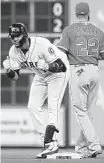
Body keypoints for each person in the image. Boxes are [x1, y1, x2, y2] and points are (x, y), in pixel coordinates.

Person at [3, 23, 70, 158]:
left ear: (25, 35)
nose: (14, 39)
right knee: (32, 107)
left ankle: (51, 142)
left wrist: (47, 65)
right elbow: (15, 77)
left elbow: (62, 67)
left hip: (57, 72)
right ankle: (46, 141)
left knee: (53, 104)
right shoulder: (13, 51)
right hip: (40, 74)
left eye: (17, 35)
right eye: (12, 37)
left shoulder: (41, 44)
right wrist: (8, 71)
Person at [57, 2, 104, 158]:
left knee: (81, 112)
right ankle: (81, 148)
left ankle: (94, 145)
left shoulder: (69, 30)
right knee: (88, 113)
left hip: (78, 71)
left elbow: (61, 52)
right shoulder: (99, 32)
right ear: (88, 13)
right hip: (94, 70)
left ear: (76, 14)